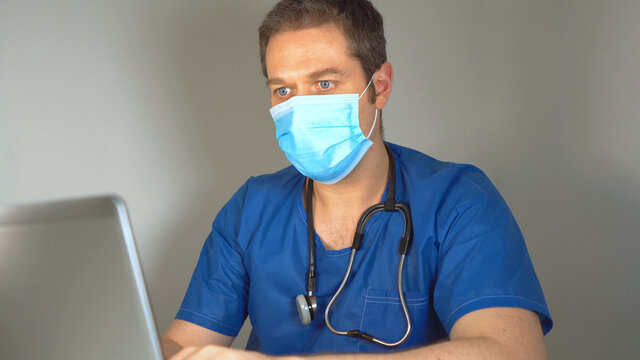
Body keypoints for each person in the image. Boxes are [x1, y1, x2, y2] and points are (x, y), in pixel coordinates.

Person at [161, 0, 553, 359]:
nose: (300, 108)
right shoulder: (251, 209)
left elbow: (513, 351)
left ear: (379, 87)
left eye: (325, 84)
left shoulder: (458, 200)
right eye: (283, 90)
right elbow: (183, 341)